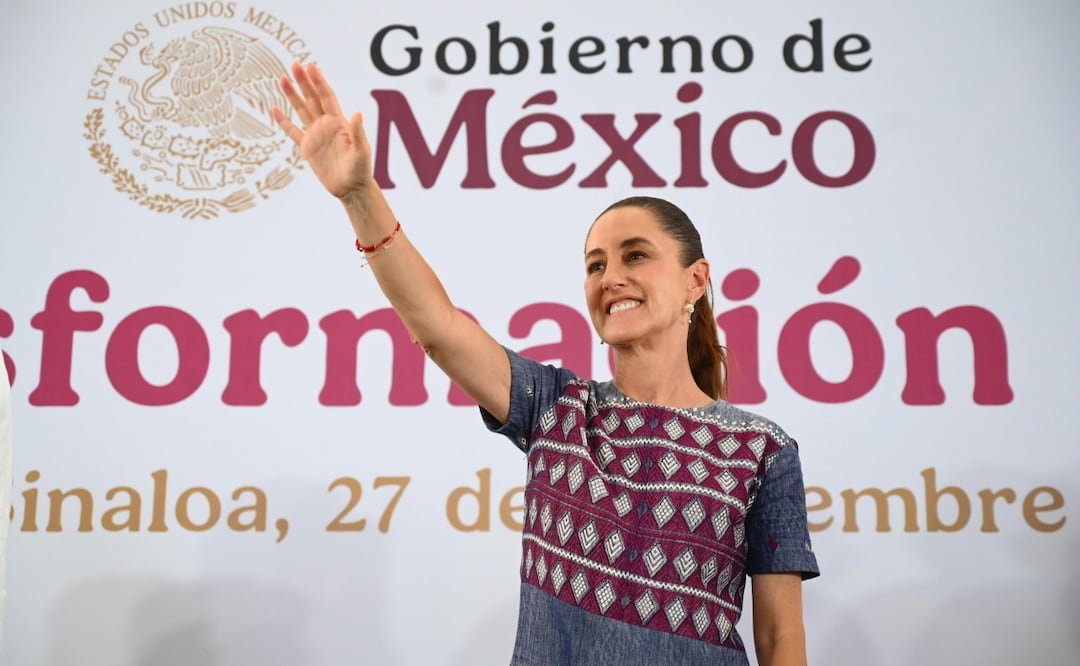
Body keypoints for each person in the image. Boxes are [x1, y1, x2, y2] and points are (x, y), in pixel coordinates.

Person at [272, 62, 819, 666]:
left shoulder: (762, 449)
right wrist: (359, 195)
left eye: (635, 256)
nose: (611, 278)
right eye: (594, 265)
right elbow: (439, 328)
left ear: (696, 280)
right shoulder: (559, 409)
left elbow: (778, 639)